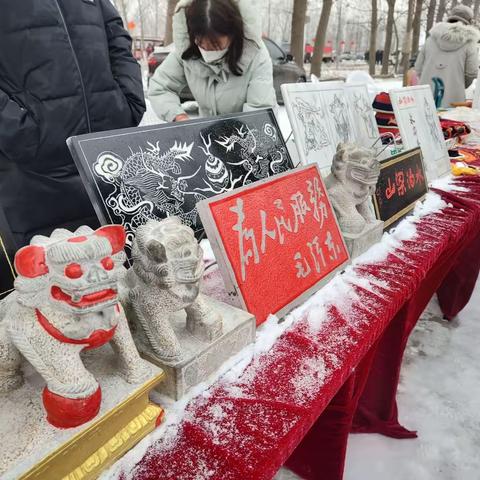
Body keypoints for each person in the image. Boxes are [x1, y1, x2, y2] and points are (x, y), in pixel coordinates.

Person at [0, 0, 145, 247]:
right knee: (55, 276)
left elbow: (116, 39)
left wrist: (128, 102)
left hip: (107, 162)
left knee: (126, 271)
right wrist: (20, 131)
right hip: (34, 176)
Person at [149, 0, 276, 122]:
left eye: (216, 45)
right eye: (201, 43)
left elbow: (259, 114)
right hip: (206, 138)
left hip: (244, 137)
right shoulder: (186, 53)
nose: (208, 51)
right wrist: (178, 117)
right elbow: (160, 87)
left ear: (233, 33)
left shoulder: (256, 56)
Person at [415, 4, 479, 108]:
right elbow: (471, 73)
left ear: (451, 17)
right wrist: (459, 83)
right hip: (454, 101)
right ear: (469, 20)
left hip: (425, 99)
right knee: (450, 124)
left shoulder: (431, 39)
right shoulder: (469, 43)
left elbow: (418, 68)